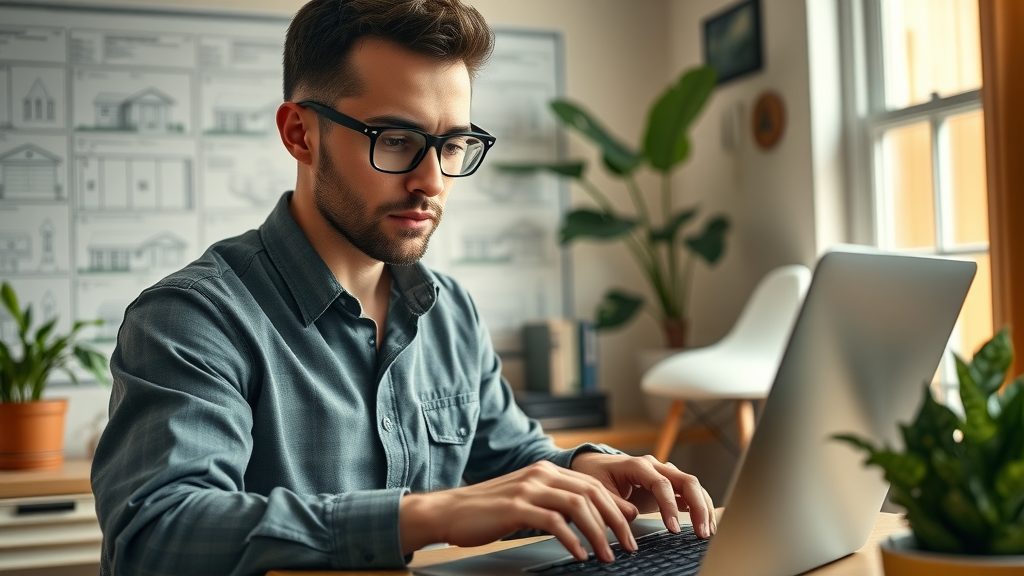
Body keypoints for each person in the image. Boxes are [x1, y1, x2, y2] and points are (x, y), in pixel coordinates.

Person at [91, 0, 716, 574]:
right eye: (396, 140)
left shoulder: (450, 311)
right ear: (300, 134)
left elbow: (507, 458)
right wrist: (431, 512)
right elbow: (156, 534)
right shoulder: (191, 318)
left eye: (455, 144)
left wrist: (587, 468)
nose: (433, 180)